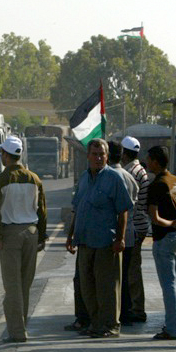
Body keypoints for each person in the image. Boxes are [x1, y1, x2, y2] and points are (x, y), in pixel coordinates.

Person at [66, 138, 132, 338]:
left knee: (107, 288)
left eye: (102, 154)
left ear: (107, 156)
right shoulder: (84, 178)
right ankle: (96, 324)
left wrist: (120, 239)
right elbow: (77, 209)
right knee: (87, 287)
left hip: (106, 243)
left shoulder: (114, 178)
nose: (98, 158)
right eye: (94, 154)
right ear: (88, 156)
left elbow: (123, 211)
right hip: (85, 241)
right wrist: (70, 236)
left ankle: (110, 325)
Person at [0, 136, 47, 343]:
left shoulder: (1, 180)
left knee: (12, 285)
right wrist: (42, 236)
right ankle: (21, 325)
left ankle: (17, 332)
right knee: (25, 283)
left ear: (6, 155)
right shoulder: (34, 178)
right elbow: (42, 210)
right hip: (31, 233)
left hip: (10, 234)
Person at [146, 145, 176, 340]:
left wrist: (171, 223)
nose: (147, 163)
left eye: (149, 159)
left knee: (169, 285)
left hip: (166, 238)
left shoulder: (157, 184)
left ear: (155, 161)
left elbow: (154, 218)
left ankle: (172, 328)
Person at [108, 141, 139, 326]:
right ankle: (126, 312)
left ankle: (116, 313)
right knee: (125, 276)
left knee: (113, 278)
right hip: (129, 234)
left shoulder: (111, 177)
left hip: (116, 234)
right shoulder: (129, 176)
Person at [121, 136, 151, 323]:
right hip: (140, 225)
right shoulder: (139, 170)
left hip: (134, 226)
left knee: (132, 271)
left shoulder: (130, 172)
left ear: (124, 153)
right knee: (133, 269)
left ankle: (137, 309)